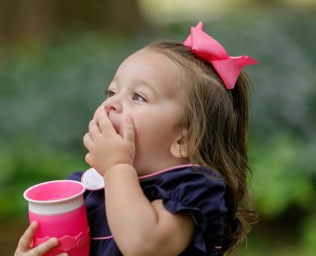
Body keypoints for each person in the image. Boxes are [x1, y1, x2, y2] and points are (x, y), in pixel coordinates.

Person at [15, 21, 258, 256]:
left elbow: (144, 245)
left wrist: (116, 167)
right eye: (111, 92)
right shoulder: (87, 190)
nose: (111, 103)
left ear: (184, 140)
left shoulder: (193, 190)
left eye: (138, 97)